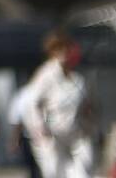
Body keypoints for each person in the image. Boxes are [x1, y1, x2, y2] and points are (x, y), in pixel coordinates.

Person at [23, 31, 93, 178]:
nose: (64, 52)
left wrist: (88, 124)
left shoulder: (77, 79)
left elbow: (87, 106)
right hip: (52, 134)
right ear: (52, 51)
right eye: (59, 49)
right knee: (54, 172)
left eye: (66, 48)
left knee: (82, 172)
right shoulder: (46, 74)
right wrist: (40, 127)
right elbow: (32, 103)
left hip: (75, 133)